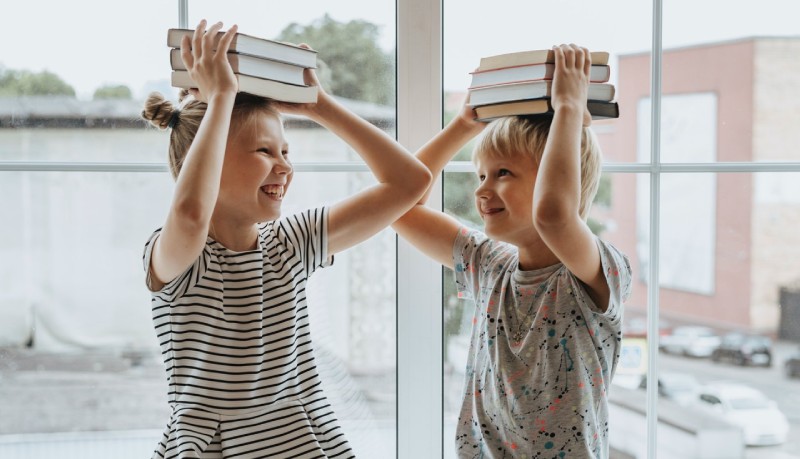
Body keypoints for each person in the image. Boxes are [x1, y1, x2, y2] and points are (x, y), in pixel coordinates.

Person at [140, 20, 431, 459]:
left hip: (305, 442)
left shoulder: (291, 243)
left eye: (286, 152)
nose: (285, 166)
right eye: (264, 151)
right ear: (208, 161)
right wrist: (221, 97)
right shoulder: (180, 257)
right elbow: (191, 213)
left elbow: (410, 182)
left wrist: (320, 107)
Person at [392, 44, 632, 458]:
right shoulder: (488, 264)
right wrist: (462, 127)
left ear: (562, 179)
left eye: (503, 173)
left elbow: (553, 216)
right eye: (481, 175)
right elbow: (397, 206)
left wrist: (569, 108)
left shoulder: (595, 269)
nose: (482, 190)